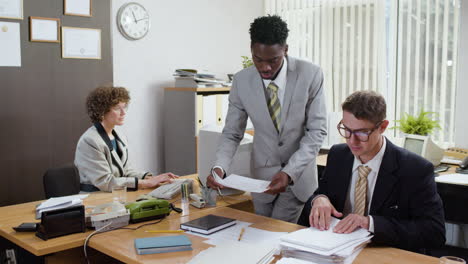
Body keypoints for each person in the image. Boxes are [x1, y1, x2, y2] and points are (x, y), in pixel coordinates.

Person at [206, 15, 327, 223]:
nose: (265, 67)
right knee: (260, 235)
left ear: (285, 50)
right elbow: (232, 133)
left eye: (273, 60)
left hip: (296, 178)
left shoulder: (310, 74)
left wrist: (289, 172)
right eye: (258, 59)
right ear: (252, 49)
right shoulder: (242, 81)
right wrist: (220, 167)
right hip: (261, 180)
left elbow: (317, 131)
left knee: (278, 238)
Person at [299, 90, 445, 252]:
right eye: (346, 129)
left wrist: (370, 223)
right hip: (335, 250)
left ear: (382, 127)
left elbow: (434, 233)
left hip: (384, 254)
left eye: (362, 132)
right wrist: (319, 199)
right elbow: (320, 199)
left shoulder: (415, 169)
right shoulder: (338, 155)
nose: (351, 140)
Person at [75, 86, 178, 192]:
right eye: (117, 108)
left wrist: (150, 178)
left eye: (124, 107)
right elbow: (105, 182)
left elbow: (126, 171)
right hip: (96, 197)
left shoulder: (120, 136)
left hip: (116, 194)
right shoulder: (89, 141)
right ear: (101, 111)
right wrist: (146, 183)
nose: (123, 113)